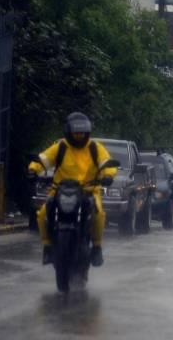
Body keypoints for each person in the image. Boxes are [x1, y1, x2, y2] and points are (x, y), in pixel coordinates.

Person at [28, 112, 113, 267]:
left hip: (89, 190)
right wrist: (33, 169)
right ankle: (47, 247)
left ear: (87, 132)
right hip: (60, 190)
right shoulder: (60, 147)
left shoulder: (95, 148)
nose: (79, 136)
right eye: (76, 133)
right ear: (68, 132)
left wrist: (108, 175)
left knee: (99, 214)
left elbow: (105, 162)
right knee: (42, 213)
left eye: (82, 133)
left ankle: (96, 247)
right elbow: (44, 159)